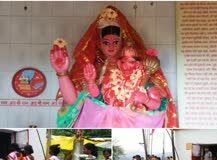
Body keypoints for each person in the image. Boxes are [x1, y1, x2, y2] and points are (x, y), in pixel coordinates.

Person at [50, 5, 178, 128]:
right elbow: (75, 103)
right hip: (101, 123)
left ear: (122, 42)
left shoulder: (141, 70)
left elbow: (156, 104)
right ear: (99, 44)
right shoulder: (92, 67)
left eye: (115, 42)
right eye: (106, 43)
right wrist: (63, 73)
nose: (111, 47)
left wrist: (145, 100)